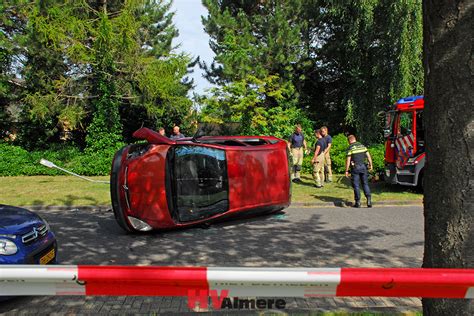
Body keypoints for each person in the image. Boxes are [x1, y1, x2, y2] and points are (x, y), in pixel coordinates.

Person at [344, 135, 373, 208]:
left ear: (349, 141)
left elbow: (348, 160)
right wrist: (371, 164)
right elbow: (368, 156)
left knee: (356, 185)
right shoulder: (362, 146)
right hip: (363, 167)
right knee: (365, 184)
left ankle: (358, 202)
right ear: (355, 139)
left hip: (355, 168)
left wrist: (346, 170)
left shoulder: (350, 148)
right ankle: (369, 200)